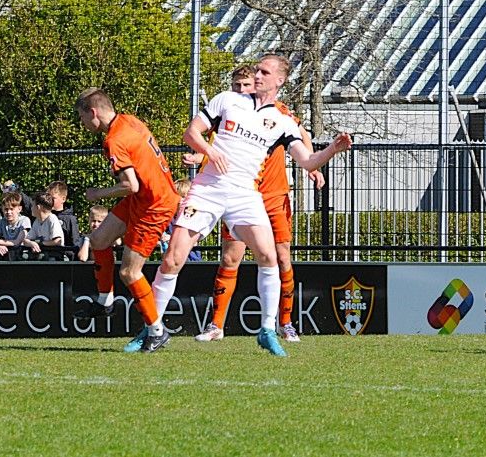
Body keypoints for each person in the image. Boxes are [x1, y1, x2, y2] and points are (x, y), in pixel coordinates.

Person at [146, 54, 352, 356]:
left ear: (279, 80)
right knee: (172, 259)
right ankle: (151, 329)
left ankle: (269, 330)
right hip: (209, 189)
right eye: (256, 70)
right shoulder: (228, 99)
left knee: (269, 256)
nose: (257, 75)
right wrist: (208, 151)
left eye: (263, 72)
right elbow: (191, 133)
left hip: (245, 194)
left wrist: (333, 148)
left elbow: (307, 160)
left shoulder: (282, 120)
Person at [188, 66, 323, 343]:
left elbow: (301, 134)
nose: (241, 90)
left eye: (246, 85)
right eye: (236, 85)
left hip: (273, 195)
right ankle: (216, 325)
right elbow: (220, 148)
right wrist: (200, 159)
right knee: (230, 258)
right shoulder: (232, 110)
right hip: (237, 193)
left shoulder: (279, 113)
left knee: (281, 256)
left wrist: (311, 166)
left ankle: (285, 323)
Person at [73, 87, 180, 353]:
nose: (83, 124)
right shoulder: (129, 120)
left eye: (82, 117)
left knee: (129, 272)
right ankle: (104, 300)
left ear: (93, 112)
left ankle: (157, 330)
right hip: (146, 197)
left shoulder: (114, 140)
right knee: (98, 240)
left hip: (154, 205)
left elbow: (130, 185)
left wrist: (97, 193)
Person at [0, 192, 31, 260]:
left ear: (19, 209)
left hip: (23, 256)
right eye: (6, 209)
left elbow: (17, 242)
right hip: (9, 257)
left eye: (11, 209)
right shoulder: (2, 222)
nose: (8, 212)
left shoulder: (24, 220)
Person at [24, 192, 65, 259]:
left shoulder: (52, 219)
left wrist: (40, 243)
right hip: (42, 254)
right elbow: (26, 240)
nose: (31, 208)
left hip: (54, 256)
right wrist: (32, 244)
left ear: (38, 207)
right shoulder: (37, 221)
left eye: (32, 206)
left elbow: (57, 241)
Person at [48, 181, 79, 248]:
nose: (50, 201)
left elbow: (75, 242)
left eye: (53, 198)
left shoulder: (70, 219)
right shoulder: (46, 215)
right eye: (48, 198)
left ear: (63, 199)